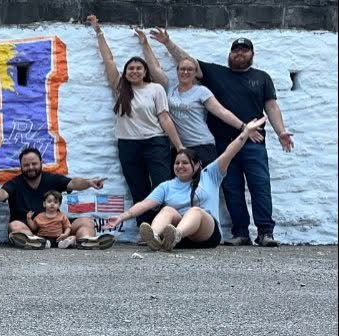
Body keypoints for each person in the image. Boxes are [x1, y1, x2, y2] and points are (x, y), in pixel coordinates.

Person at [150, 30, 292, 247]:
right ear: (230, 53)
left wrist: (281, 131)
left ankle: (265, 232)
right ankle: (241, 233)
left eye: (244, 50)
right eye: (236, 50)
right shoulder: (216, 73)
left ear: (252, 54)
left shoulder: (262, 77)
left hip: (253, 141)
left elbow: (271, 106)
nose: (239, 54)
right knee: (232, 189)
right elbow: (188, 62)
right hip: (224, 143)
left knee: (260, 186)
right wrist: (168, 42)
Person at [104, 118, 267, 252]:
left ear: (196, 165)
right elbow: (145, 204)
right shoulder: (167, 186)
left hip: (206, 234)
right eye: (177, 163)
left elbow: (229, 152)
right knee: (167, 210)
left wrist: (245, 132)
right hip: (181, 237)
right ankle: (154, 237)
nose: (180, 166)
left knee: (195, 211)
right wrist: (121, 217)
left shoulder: (210, 175)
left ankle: (176, 234)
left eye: (185, 163)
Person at [90, 15, 182, 229]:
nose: (134, 71)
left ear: (145, 71)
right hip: (128, 144)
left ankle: (163, 227)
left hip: (156, 143)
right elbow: (109, 60)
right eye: (130, 68)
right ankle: (145, 229)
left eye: (138, 68)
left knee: (161, 186)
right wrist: (99, 32)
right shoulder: (120, 88)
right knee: (138, 188)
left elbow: (164, 118)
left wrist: (179, 146)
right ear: (126, 72)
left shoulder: (156, 89)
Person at [137, 28, 260, 165]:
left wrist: (244, 127)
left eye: (190, 69)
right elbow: (155, 68)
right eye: (182, 69)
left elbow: (221, 112)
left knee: (204, 179)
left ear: (195, 73)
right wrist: (145, 44)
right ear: (177, 71)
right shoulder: (169, 88)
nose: (185, 72)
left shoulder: (202, 91)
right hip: (180, 147)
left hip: (202, 145)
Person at [0, 147, 115, 250]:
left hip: (57, 228)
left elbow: (73, 183)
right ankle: (35, 241)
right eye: (26, 165)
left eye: (34, 164)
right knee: (14, 226)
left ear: (41, 163)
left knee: (86, 222)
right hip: (31, 229)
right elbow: (3, 193)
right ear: (21, 166)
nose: (30, 167)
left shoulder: (52, 179)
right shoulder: (15, 183)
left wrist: (89, 183)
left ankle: (85, 240)